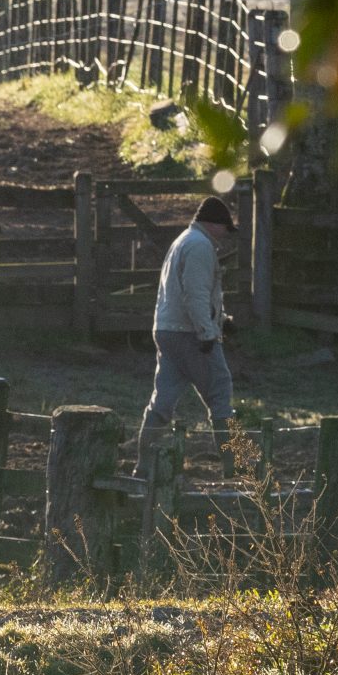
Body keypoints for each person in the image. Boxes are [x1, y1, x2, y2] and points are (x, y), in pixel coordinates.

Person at [138, 195, 237, 469]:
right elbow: (196, 293)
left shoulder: (183, 241)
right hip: (190, 332)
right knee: (219, 390)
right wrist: (207, 332)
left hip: (167, 329)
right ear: (214, 224)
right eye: (225, 229)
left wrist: (222, 320)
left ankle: (143, 466)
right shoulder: (200, 246)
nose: (226, 236)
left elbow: (183, 291)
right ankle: (235, 466)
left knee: (163, 400)